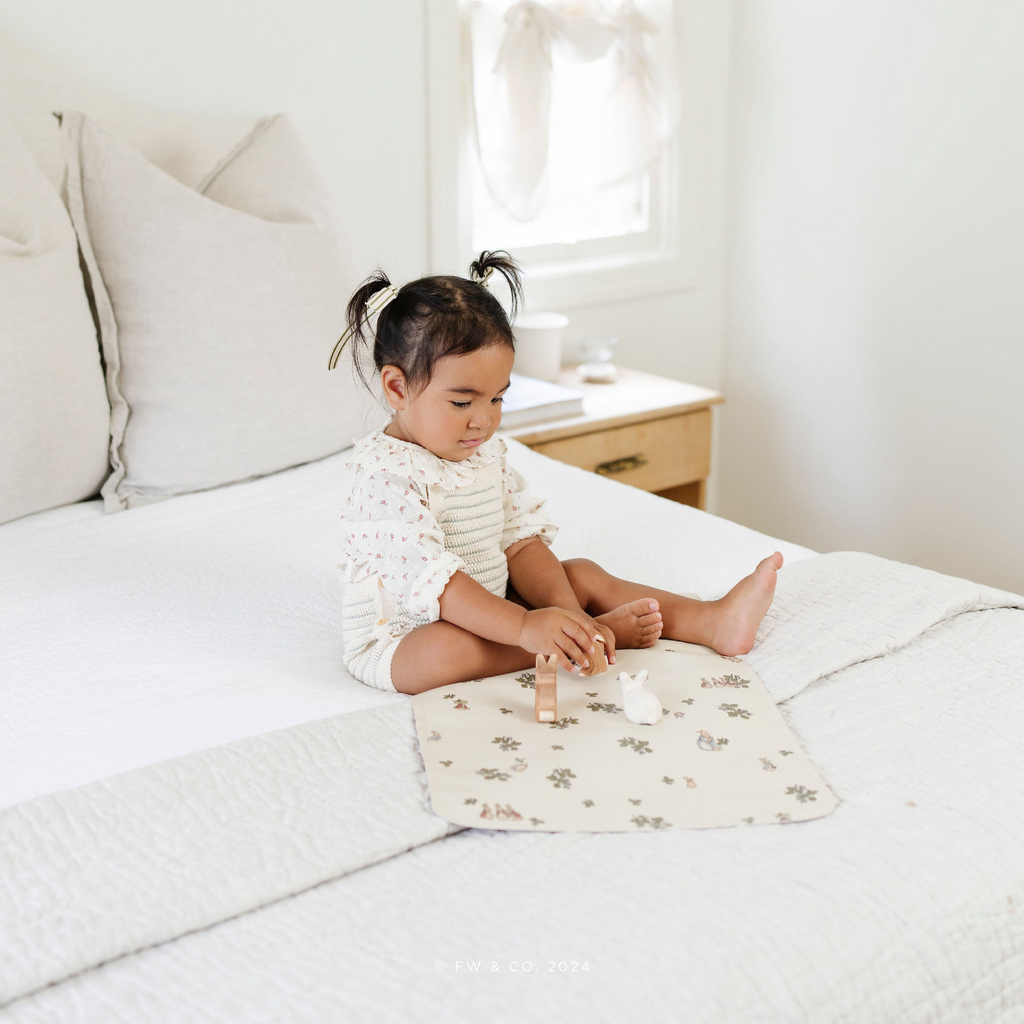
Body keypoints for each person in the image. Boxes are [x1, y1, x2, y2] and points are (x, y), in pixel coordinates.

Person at [332, 251, 782, 695]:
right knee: (445, 650)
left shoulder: (482, 453)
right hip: (406, 634)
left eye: (497, 399)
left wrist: (568, 615)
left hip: (493, 606)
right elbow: (442, 589)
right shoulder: (385, 479)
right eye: (462, 402)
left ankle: (709, 621)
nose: (483, 421)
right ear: (397, 387)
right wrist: (528, 626)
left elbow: (521, 543)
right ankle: (581, 644)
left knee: (580, 575)